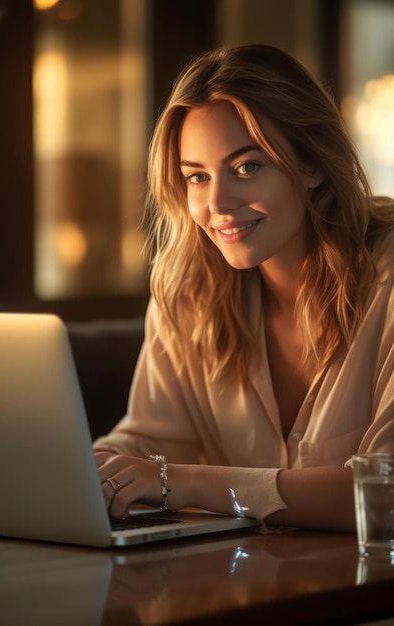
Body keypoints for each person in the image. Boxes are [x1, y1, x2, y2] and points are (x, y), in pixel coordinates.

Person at [94, 44, 394, 532]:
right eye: (196, 176)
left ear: (311, 164)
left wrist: (183, 483)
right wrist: (78, 472)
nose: (217, 204)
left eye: (247, 167)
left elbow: (388, 493)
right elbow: (147, 444)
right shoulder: (188, 294)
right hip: (243, 588)